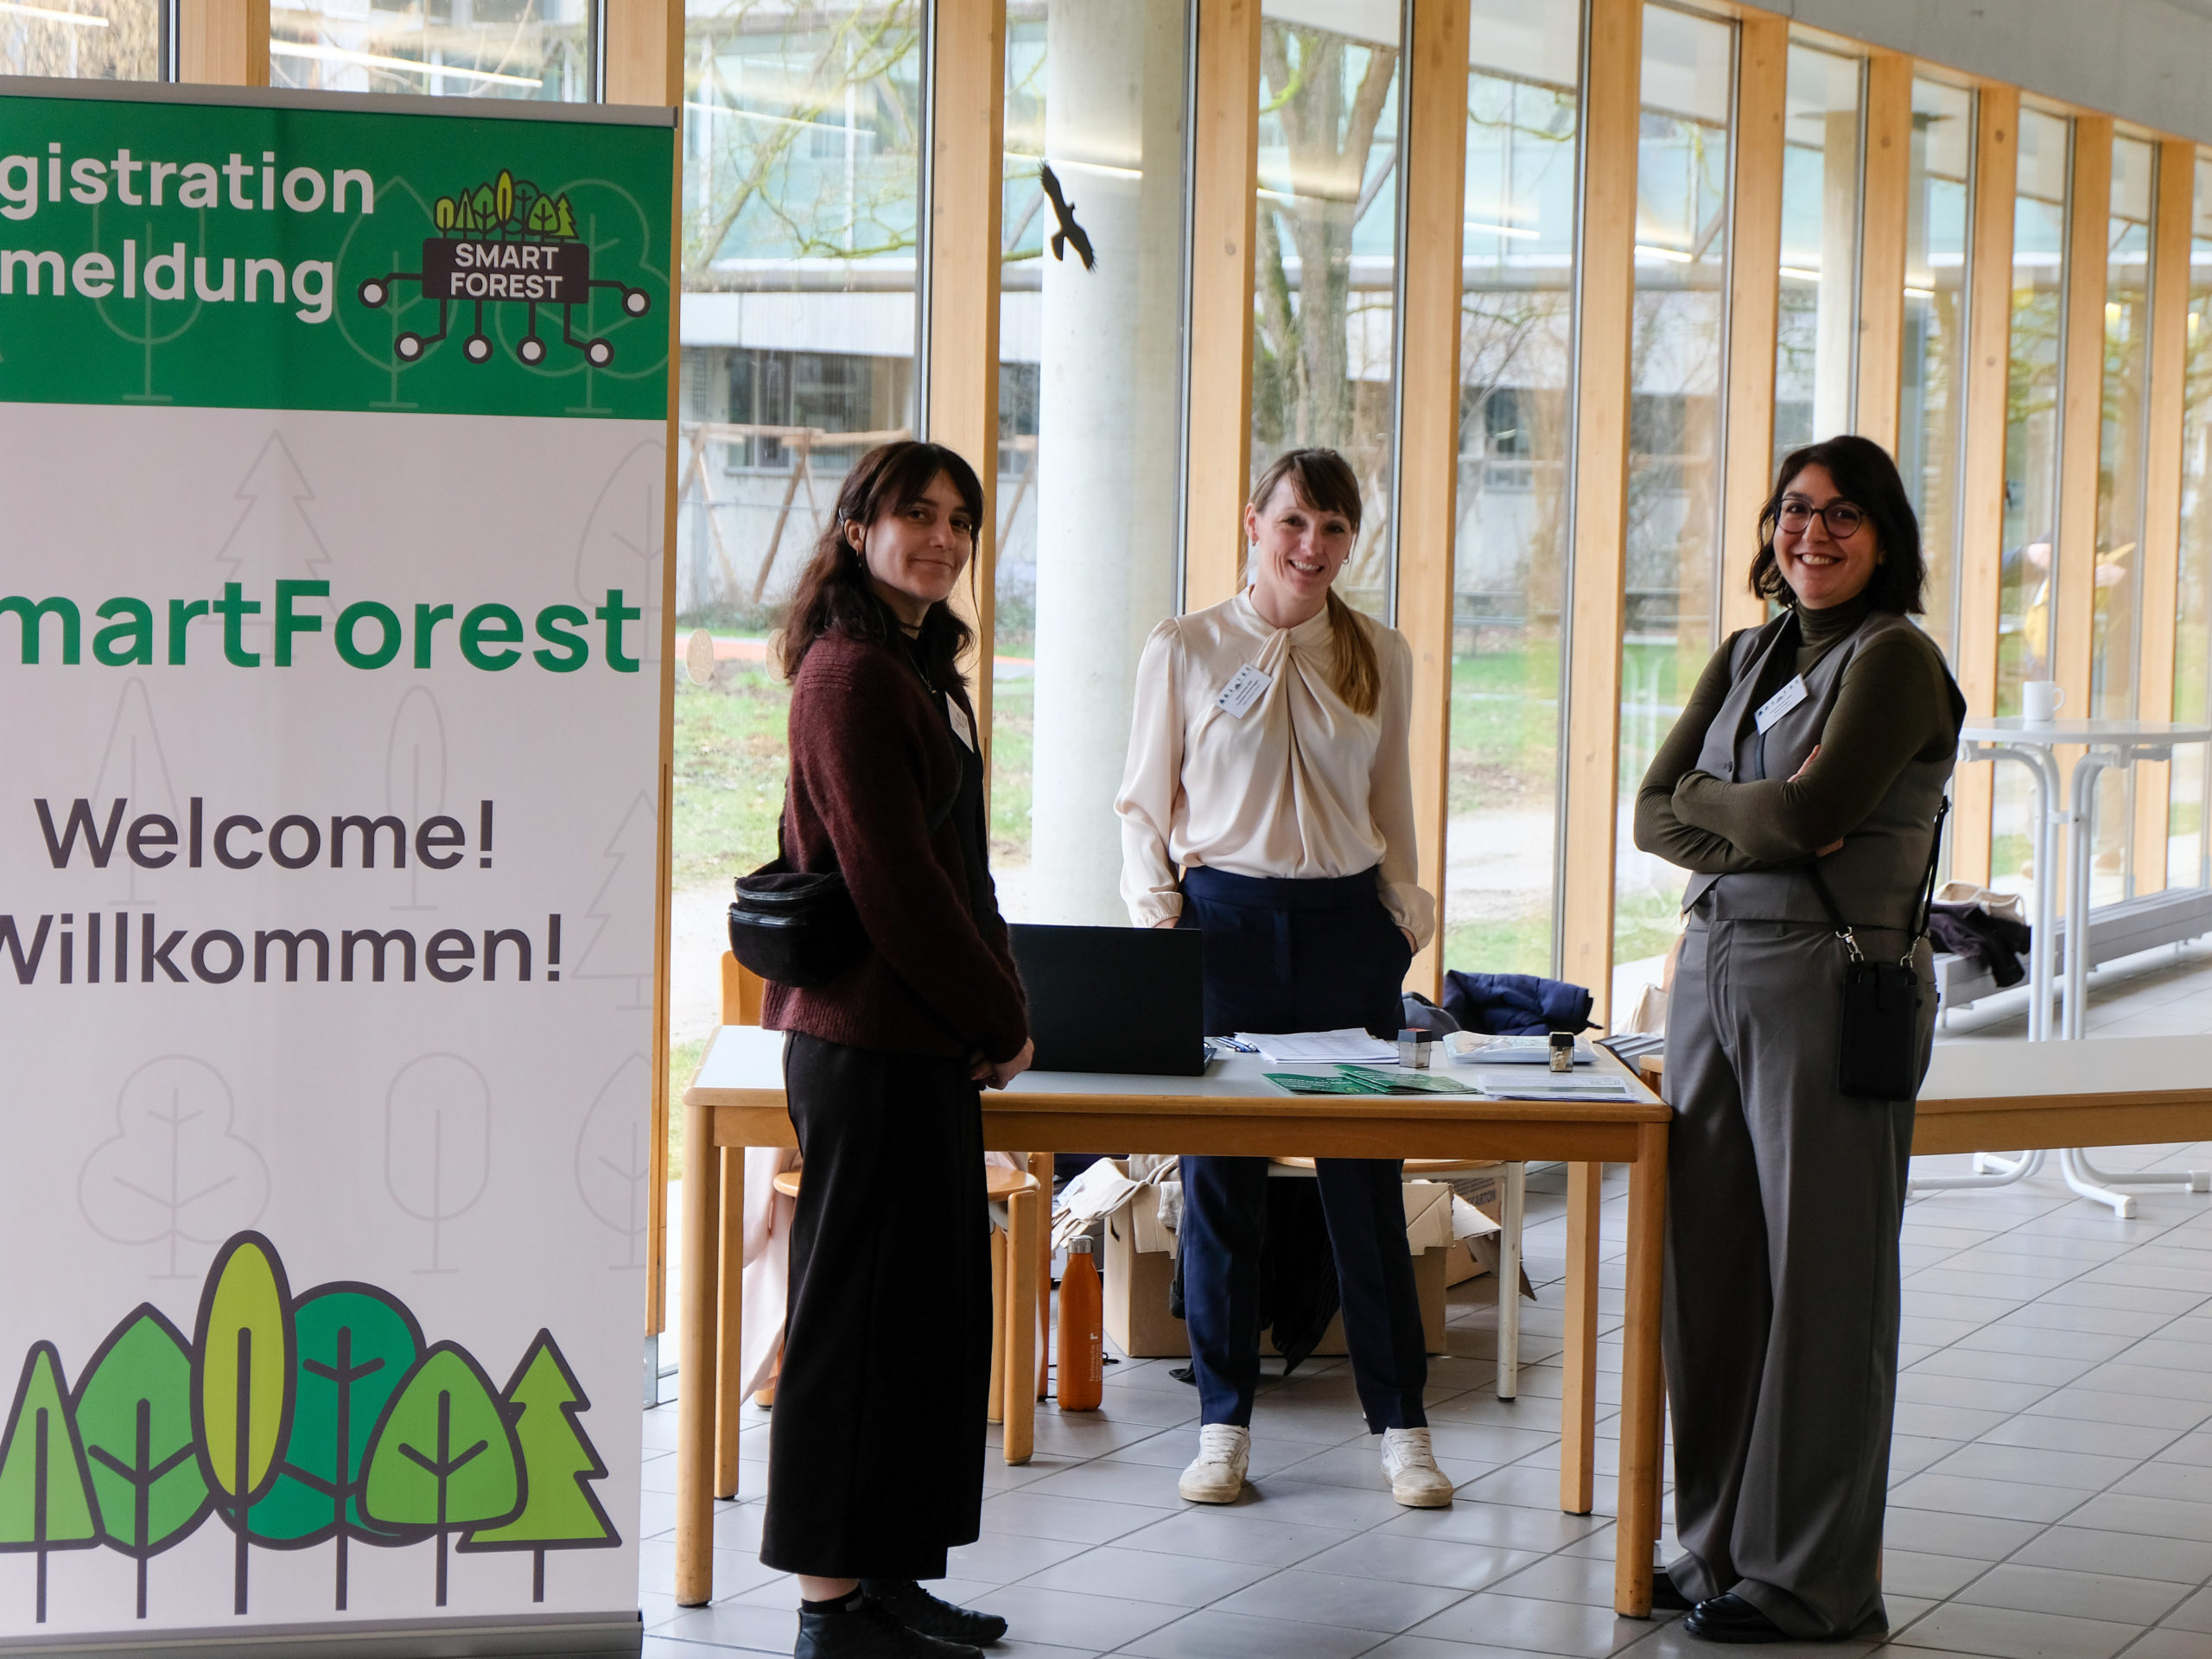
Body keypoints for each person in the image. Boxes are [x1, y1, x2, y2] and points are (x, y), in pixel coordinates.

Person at [1633, 435, 1965, 1644]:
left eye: (1842, 516)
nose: (1810, 535)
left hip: (1832, 981)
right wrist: (1755, 821)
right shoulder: (1747, 651)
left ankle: (1814, 1576)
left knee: (1823, 1282)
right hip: (1713, 971)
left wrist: (1743, 817)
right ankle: (1716, 1543)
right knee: (1711, 1274)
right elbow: (1648, 811)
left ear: (1884, 537)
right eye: (1793, 511)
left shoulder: (1897, 660)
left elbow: (1816, 812)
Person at [1115, 447, 1450, 1509]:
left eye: (1335, 529)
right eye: (1295, 523)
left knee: (1367, 1184)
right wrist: (1164, 926)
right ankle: (1220, 1425)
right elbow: (1141, 804)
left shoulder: (1381, 654)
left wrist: (1402, 916)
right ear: (1252, 522)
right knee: (1223, 1188)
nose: (1314, 548)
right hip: (1226, 929)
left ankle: (1402, 1427)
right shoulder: (1184, 647)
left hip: (1346, 929)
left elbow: (1391, 799)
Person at [763, 440, 1035, 1659]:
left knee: (914, 1328)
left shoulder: (921, 665)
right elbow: (892, 884)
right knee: (848, 1328)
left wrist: (996, 999)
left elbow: (962, 869)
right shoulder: (851, 673)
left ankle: (887, 1579)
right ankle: (832, 1606)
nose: (941, 537)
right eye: (916, 514)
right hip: (866, 1042)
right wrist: (997, 1015)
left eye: (960, 521)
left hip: (914, 1039)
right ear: (860, 525)